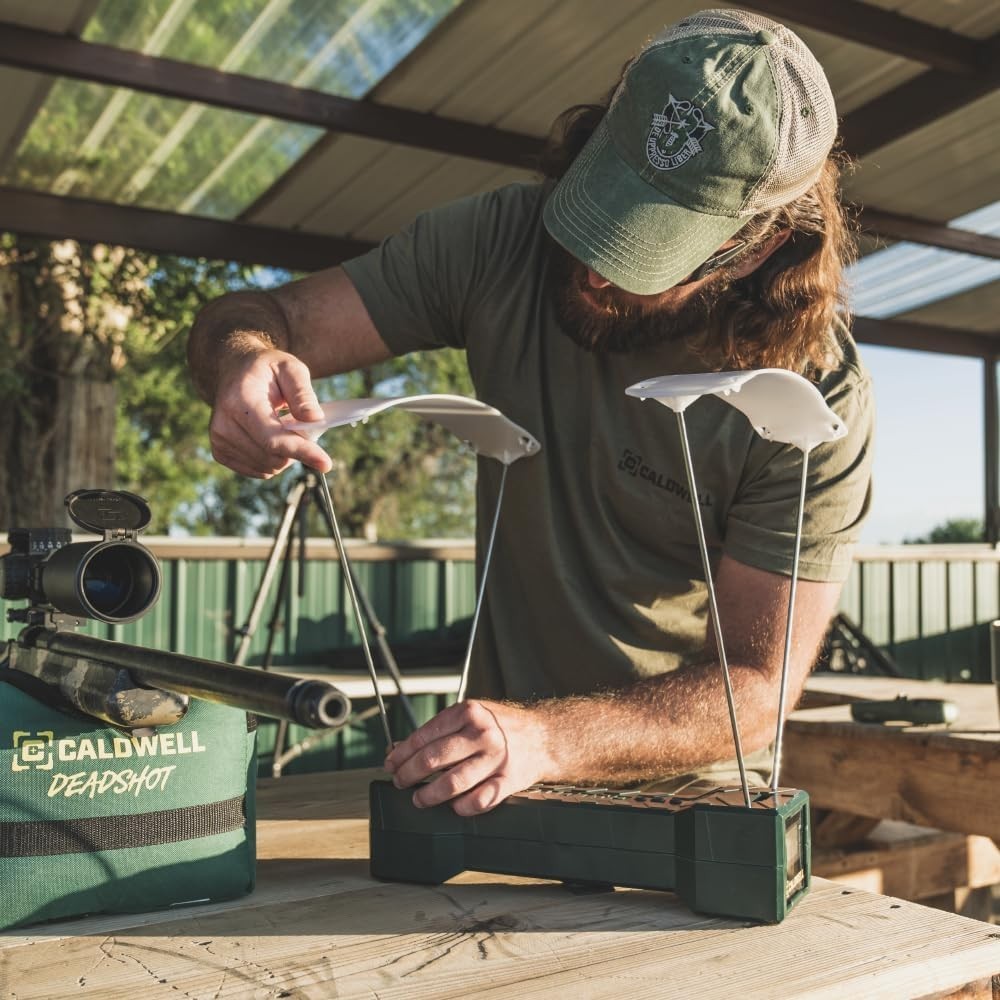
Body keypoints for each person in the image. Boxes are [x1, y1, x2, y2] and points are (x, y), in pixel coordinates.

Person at [188, 9, 873, 816]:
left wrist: (546, 741)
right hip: (488, 789)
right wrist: (244, 360)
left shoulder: (812, 397)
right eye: (601, 200)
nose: (589, 264)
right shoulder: (501, 240)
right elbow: (263, 315)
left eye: (641, 247)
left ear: (756, 249)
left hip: (690, 809)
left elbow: (758, 687)